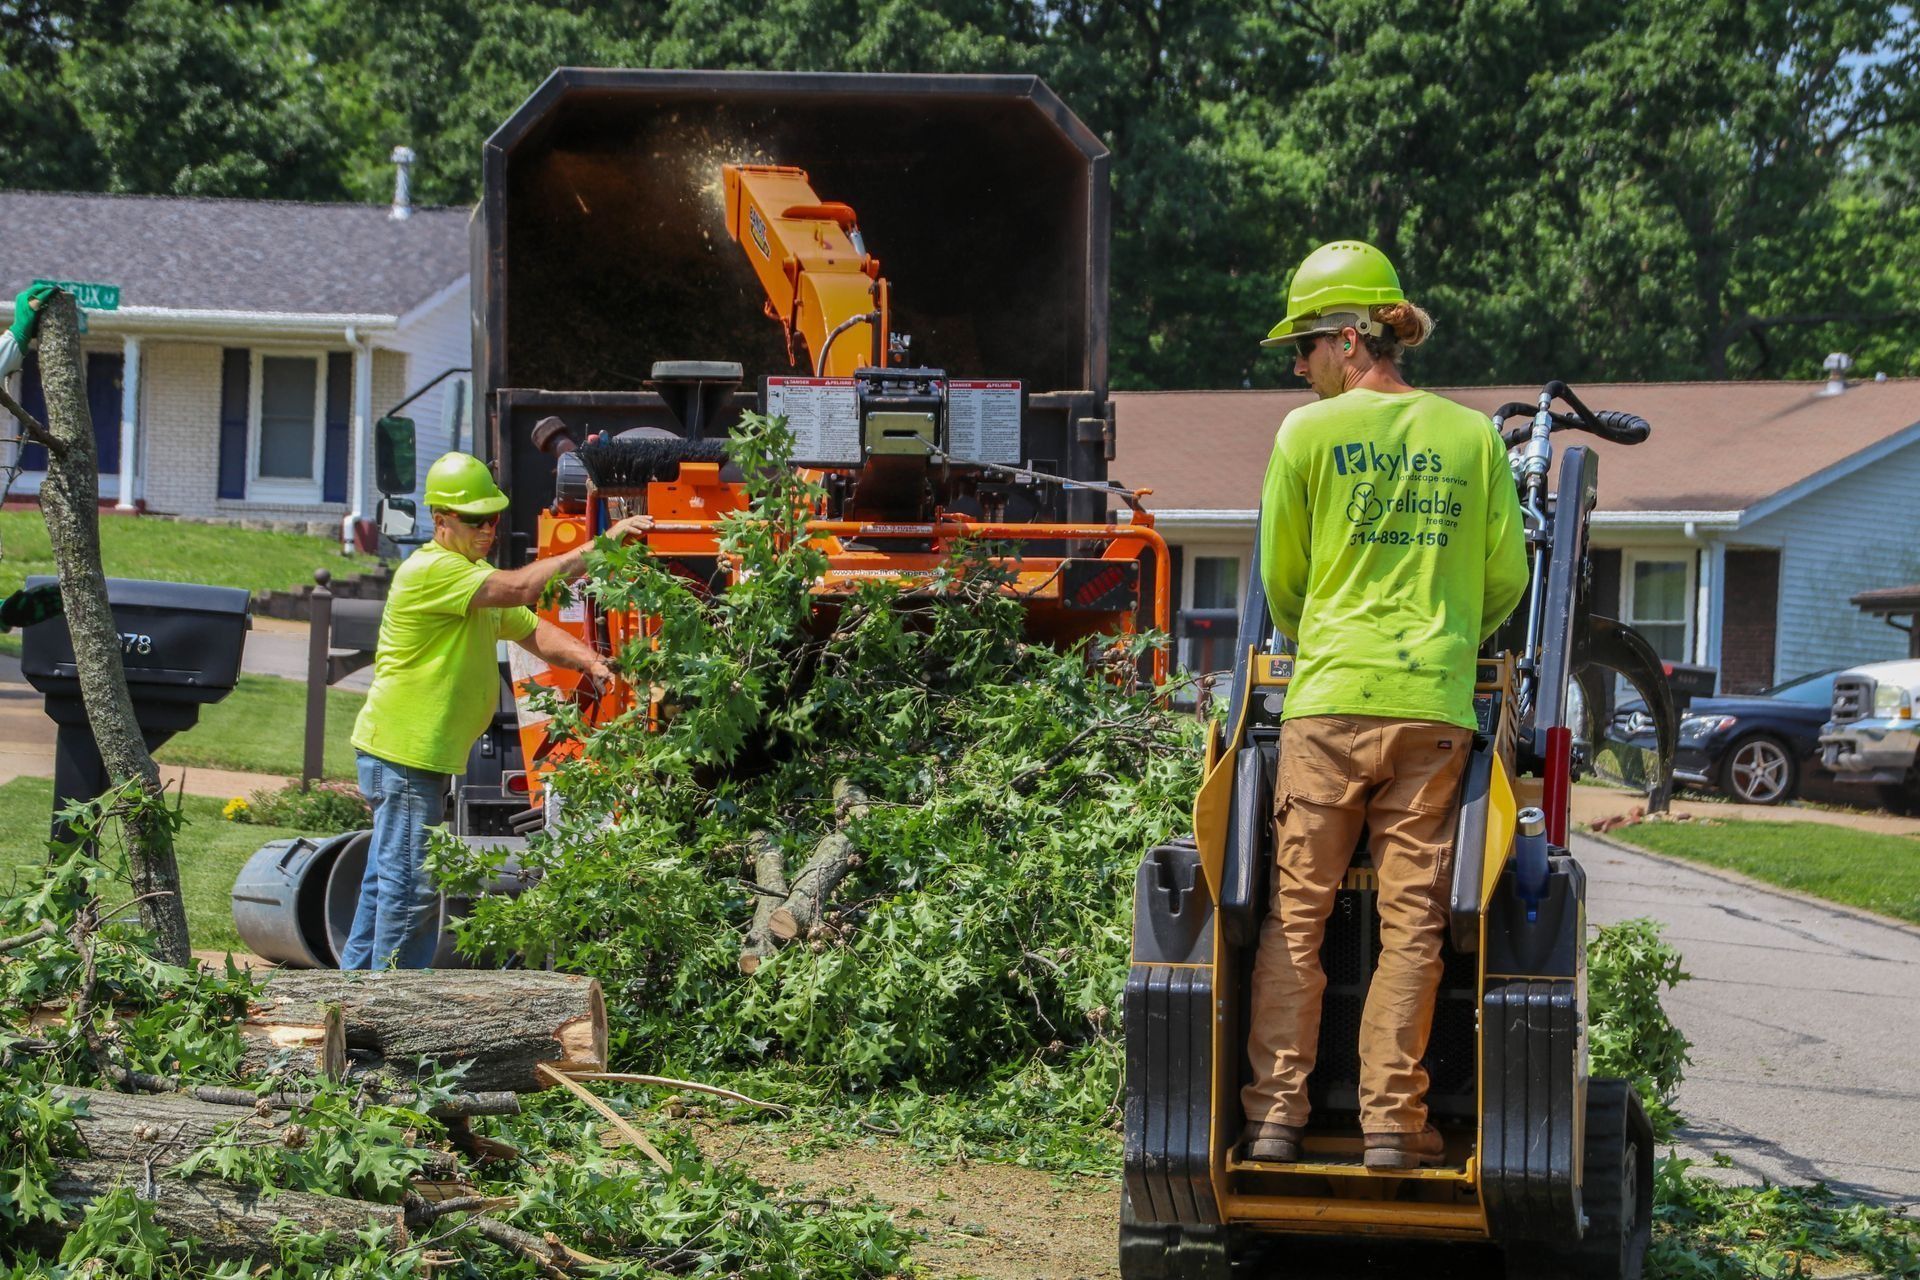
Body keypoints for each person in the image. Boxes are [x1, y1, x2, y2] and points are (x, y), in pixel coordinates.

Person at [1239, 241, 1527, 1170]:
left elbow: (1283, 580)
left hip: (1325, 707)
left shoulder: (1304, 436)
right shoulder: (1472, 436)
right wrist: (1444, 642)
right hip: (1435, 712)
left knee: (1297, 918)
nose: (1297, 365)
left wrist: (1320, 637)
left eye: (1307, 345)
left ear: (1353, 339)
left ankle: (1276, 1119)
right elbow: (1504, 580)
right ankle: (1395, 1130)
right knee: (1413, 929)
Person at [341, 451, 648, 969]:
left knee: (385, 882)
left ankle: (350, 1000)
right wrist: (600, 547)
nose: (488, 529)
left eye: (494, 518)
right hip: (404, 755)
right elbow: (525, 586)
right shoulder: (434, 571)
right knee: (410, 890)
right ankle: (389, 1011)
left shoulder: (469, 572)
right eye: (476, 519)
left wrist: (594, 662)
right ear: (441, 521)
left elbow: (533, 628)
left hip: (414, 755)